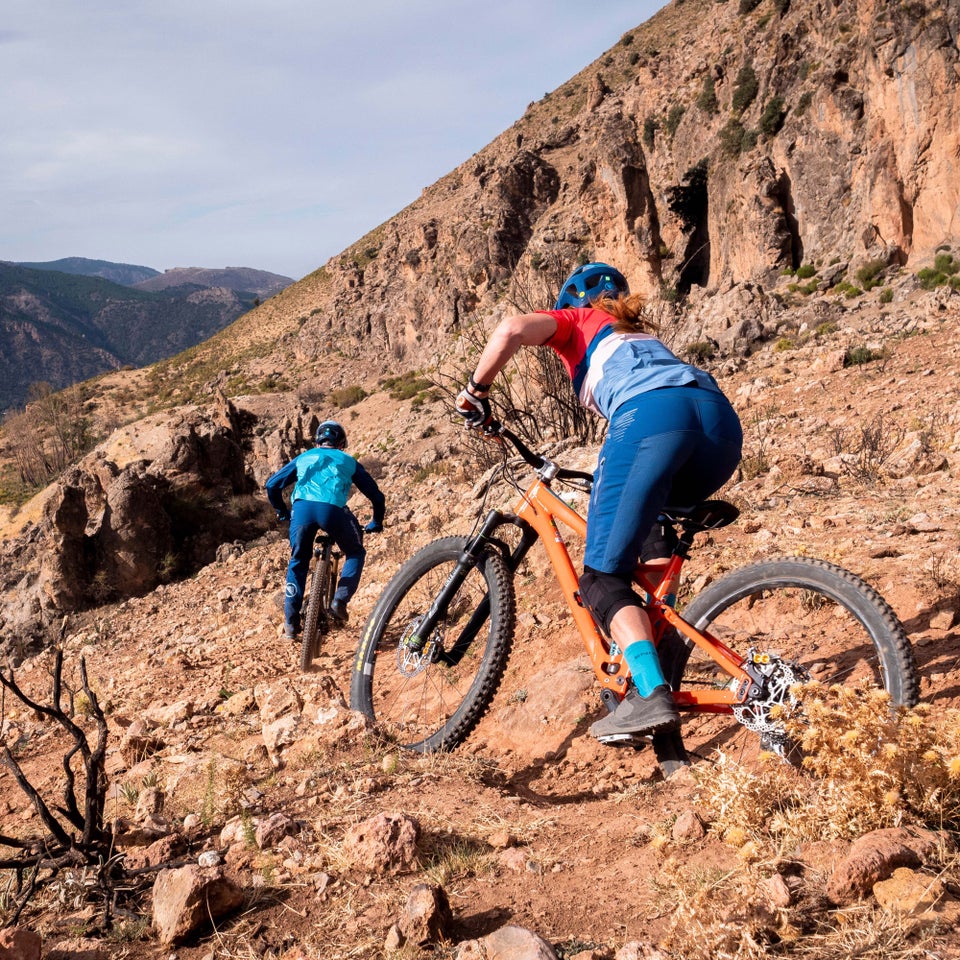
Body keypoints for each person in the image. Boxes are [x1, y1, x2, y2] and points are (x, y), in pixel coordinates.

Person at [454, 262, 742, 742]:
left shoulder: (576, 322)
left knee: (601, 576)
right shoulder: (636, 334)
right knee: (647, 544)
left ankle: (649, 694)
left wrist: (474, 393)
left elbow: (511, 329)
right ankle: (655, 660)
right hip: (718, 425)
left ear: (573, 303)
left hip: (652, 416)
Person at [265, 419, 385, 638]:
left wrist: (282, 511)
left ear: (318, 440)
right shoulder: (348, 461)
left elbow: (272, 485)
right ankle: (339, 601)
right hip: (334, 511)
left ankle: (291, 625)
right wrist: (376, 521)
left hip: (301, 511)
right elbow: (376, 496)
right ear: (341, 443)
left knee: (298, 561)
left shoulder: (304, 457)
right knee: (355, 551)